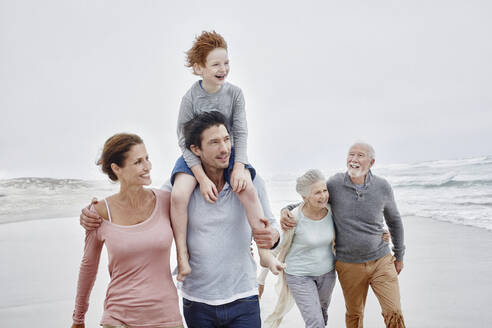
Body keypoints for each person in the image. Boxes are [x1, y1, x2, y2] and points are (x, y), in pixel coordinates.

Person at [80, 111, 281, 328]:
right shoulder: (177, 190)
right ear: (196, 150)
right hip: (197, 301)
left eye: (226, 140)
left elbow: (271, 225)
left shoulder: (250, 181)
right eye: (214, 142)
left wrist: (273, 236)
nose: (224, 149)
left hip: (244, 296)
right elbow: (143, 207)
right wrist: (93, 213)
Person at [171, 30, 283, 281]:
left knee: (250, 189)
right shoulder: (190, 98)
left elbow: (240, 131)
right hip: (194, 156)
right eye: (216, 64)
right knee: (178, 196)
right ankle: (181, 255)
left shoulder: (234, 94)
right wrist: (200, 176)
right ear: (199, 68)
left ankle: (264, 252)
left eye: (226, 63)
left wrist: (239, 166)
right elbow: (182, 140)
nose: (223, 69)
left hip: (228, 154)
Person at [281, 142, 406, 328]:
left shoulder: (382, 187)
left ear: (371, 162)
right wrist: (286, 209)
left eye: (360, 155)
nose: (354, 159)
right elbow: (313, 199)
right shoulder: (334, 184)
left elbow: (394, 221)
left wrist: (399, 255)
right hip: (349, 265)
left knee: (393, 311)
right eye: (351, 155)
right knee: (355, 315)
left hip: (381, 259)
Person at [71, 133, 183, 328]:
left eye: (147, 158)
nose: (147, 166)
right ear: (117, 169)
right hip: (118, 318)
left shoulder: (167, 201)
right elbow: (88, 267)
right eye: (138, 162)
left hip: (166, 316)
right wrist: (78, 319)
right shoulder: (98, 212)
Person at [263, 169, 337, 328]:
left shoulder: (332, 210)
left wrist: (381, 231)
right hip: (299, 276)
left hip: (328, 273)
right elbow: (275, 248)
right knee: (315, 322)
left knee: (322, 314)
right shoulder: (293, 218)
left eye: (325, 190)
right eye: (317, 193)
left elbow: (356, 220)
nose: (323, 195)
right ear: (304, 197)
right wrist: (260, 279)